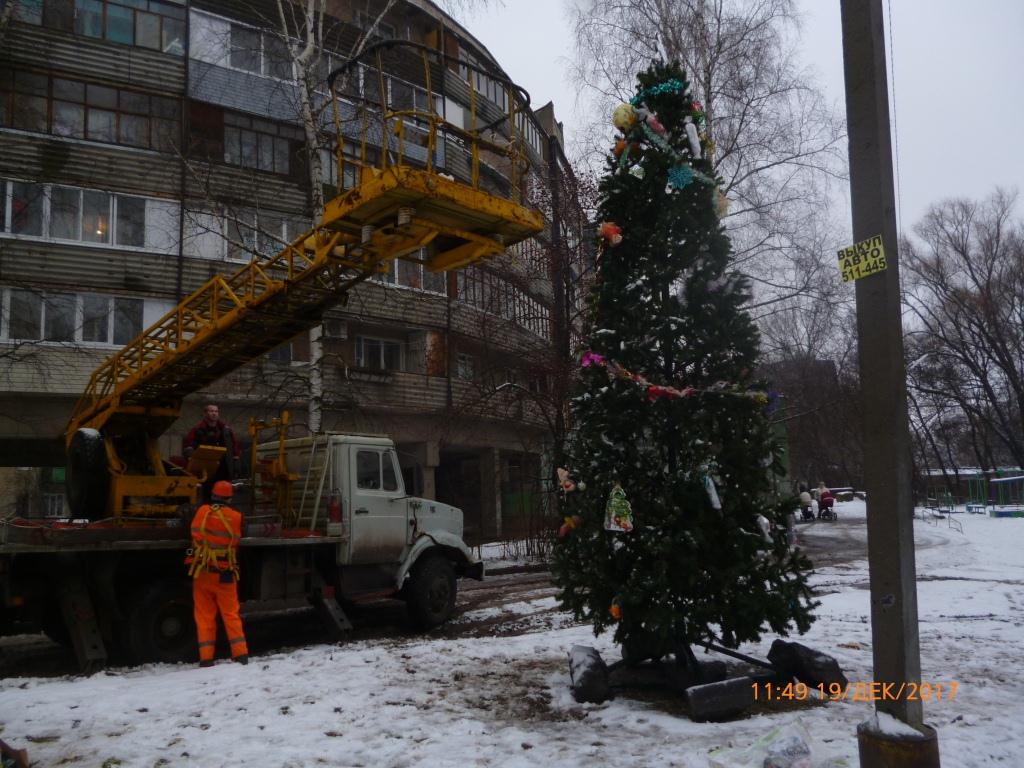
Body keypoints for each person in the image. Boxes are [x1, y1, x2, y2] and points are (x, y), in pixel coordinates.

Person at [185, 479, 248, 667]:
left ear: (212, 495)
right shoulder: (235, 516)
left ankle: (206, 658)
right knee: (230, 614)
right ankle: (240, 655)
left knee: (204, 616)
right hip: (224, 573)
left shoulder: (201, 512)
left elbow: (193, 533)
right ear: (229, 498)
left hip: (202, 572)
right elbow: (236, 539)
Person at [183, 403, 240, 501]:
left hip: (224, 468)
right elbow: (188, 445)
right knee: (208, 495)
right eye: (211, 411)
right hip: (207, 469)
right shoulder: (198, 430)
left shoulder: (226, 430)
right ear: (205, 413)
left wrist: (235, 460)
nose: (214, 413)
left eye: (216, 411)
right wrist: (191, 456)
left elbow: (234, 446)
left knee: (224, 495)